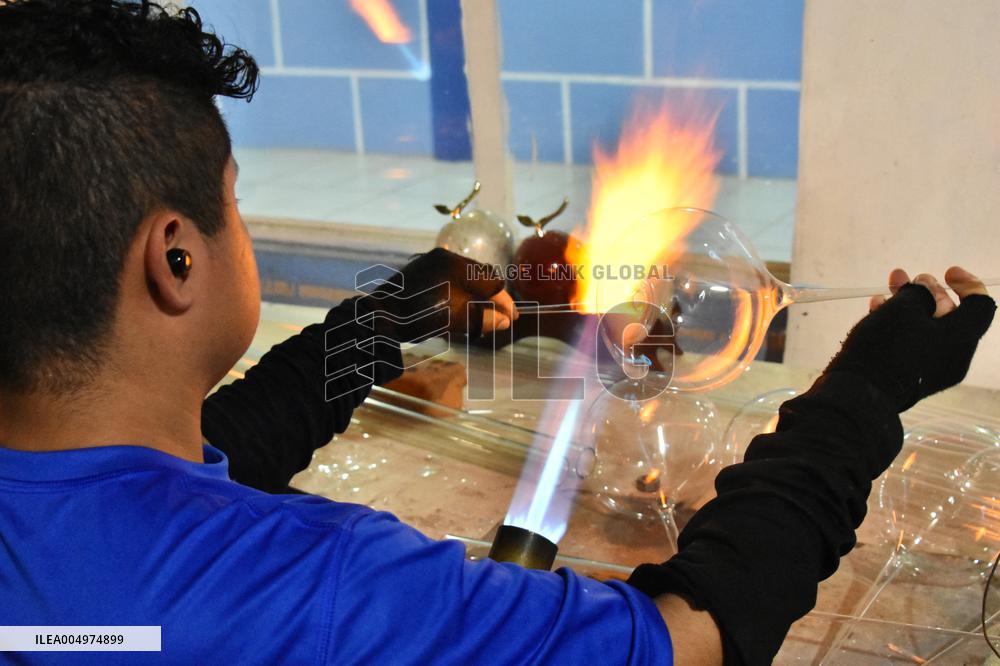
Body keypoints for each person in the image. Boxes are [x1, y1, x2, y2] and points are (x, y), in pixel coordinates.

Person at [0, 1, 994, 664]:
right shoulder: (323, 590)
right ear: (175, 258)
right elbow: (687, 637)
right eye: (236, 204)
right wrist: (863, 393)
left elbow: (215, 453)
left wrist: (396, 315)